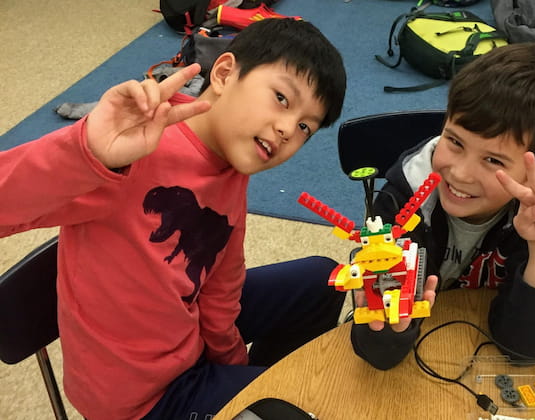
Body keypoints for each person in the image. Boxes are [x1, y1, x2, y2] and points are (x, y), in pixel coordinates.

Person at [0, 18, 347, 420]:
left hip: (189, 337)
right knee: (300, 403)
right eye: (282, 99)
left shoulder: (233, 160)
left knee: (325, 279)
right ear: (223, 73)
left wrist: (242, 372)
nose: (289, 129)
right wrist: (85, 152)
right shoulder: (135, 149)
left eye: (306, 126)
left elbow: (220, 281)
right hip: (140, 398)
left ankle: (266, 384)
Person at [350, 42, 535, 370]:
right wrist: (388, 330)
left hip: (475, 346)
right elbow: (377, 355)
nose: (459, 173)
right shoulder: (401, 200)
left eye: (492, 160)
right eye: (455, 141)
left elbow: (525, 350)